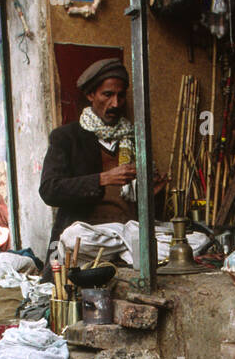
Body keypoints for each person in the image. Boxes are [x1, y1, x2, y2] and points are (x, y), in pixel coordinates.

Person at [38, 59, 166, 251]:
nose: (115, 103)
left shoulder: (133, 138)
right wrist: (102, 179)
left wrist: (152, 195)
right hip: (93, 235)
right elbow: (50, 190)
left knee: (194, 241)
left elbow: (145, 209)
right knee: (74, 238)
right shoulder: (67, 137)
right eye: (107, 95)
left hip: (130, 233)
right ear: (91, 95)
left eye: (120, 96)